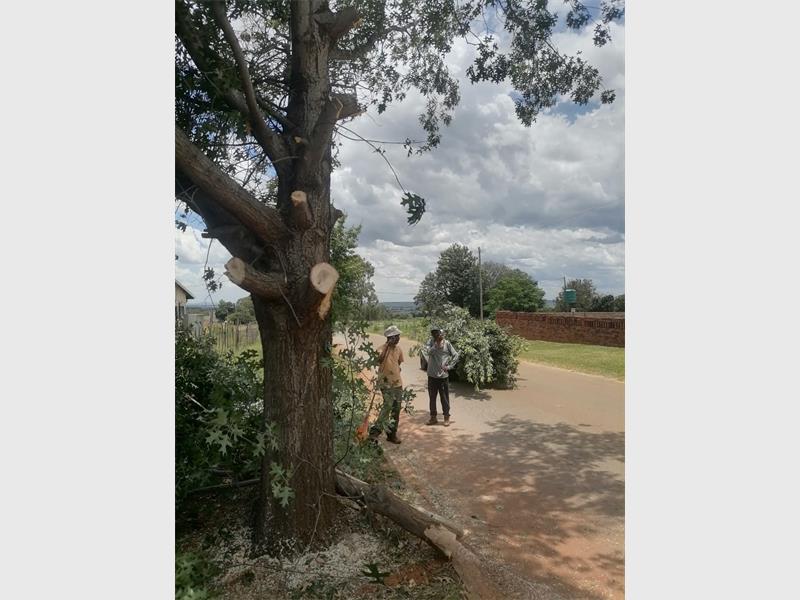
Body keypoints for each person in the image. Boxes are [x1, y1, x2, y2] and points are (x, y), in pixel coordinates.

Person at [369, 325, 405, 444]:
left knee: (396, 409)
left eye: (398, 336)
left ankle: (391, 434)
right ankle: (374, 433)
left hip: (398, 384)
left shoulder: (399, 349)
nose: (398, 338)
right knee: (387, 406)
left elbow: (399, 363)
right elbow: (378, 360)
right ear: (390, 337)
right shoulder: (381, 348)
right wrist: (387, 347)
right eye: (396, 336)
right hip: (385, 384)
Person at [421, 326, 459, 426]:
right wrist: (436, 344)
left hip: (443, 376)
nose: (435, 335)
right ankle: (433, 418)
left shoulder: (447, 344)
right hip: (432, 376)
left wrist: (450, 366)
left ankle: (446, 417)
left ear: (441, 333)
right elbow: (428, 352)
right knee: (432, 398)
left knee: (444, 398)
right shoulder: (430, 343)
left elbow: (456, 355)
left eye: (437, 333)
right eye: (433, 333)